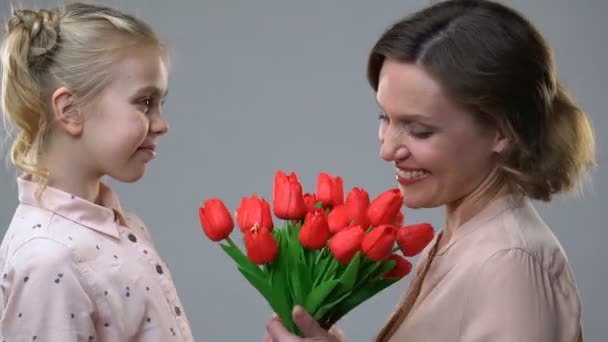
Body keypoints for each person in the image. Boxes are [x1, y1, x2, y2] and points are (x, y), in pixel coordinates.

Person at [265, 0, 595, 341]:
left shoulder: (508, 263)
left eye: (420, 130)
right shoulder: (465, 238)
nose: (387, 149)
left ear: (503, 131)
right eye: (385, 118)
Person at [0, 3, 194, 341]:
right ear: (70, 110)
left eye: (161, 103)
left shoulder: (116, 224)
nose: (162, 125)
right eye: (145, 102)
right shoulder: (48, 259)